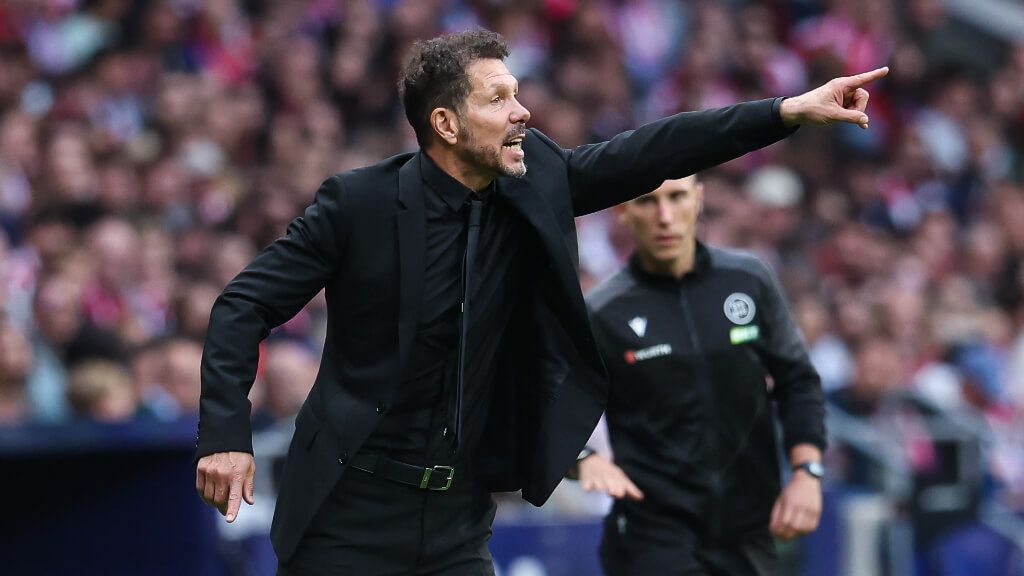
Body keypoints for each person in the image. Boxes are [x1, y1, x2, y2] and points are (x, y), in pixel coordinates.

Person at [194, 29, 884, 575]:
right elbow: (242, 305)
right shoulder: (358, 204)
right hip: (348, 509)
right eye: (498, 98)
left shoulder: (537, 180)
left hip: (460, 515)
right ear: (447, 123)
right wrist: (228, 434)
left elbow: (654, 147)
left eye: (517, 92)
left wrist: (787, 111)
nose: (523, 110)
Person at [578, 175, 827, 575]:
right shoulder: (602, 312)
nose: (665, 216)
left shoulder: (749, 279)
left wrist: (807, 471)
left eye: (676, 197)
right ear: (623, 212)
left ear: (697, 199)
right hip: (655, 536)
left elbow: (797, 379)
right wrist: (583, 458)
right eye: (646, 201)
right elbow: (554, 405)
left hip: (752, 530)